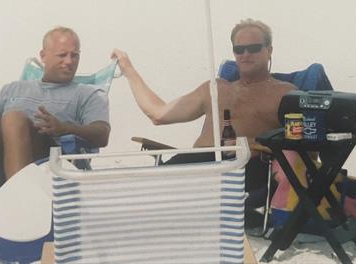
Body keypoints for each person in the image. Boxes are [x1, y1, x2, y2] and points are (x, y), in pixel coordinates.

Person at [111, 19, 296, 220]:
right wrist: (128, 70)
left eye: (253, 48)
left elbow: (302, 146)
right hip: (195, 165)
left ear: (269, 50)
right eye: (239, 49)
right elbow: (158, 114)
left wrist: (253, 144)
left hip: (241, 168)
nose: (245, 54)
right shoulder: (215, 89)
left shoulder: (285, 93)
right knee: (136, 196)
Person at [0, 26, 111, 183]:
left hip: (49, 165)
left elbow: (102, 134)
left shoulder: (87, 93)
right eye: (62, 55)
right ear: (43, 56)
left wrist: (64, 128)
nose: (69, 61)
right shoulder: (12, 89)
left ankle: (20, 192)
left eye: (75, 55)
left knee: (13, 119)